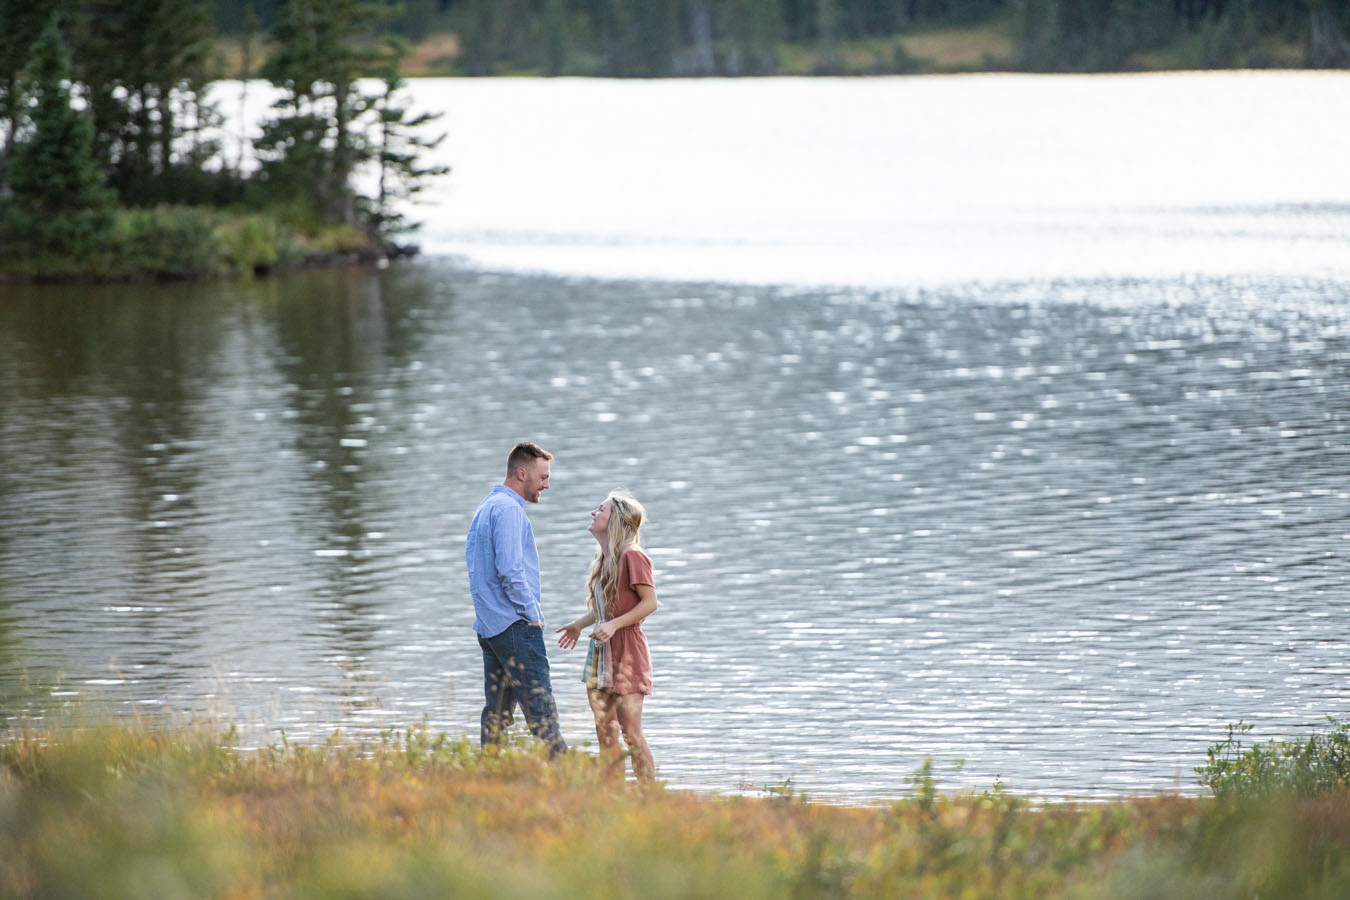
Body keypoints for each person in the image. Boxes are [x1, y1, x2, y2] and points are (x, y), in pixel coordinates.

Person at [466, 441, 566, 757]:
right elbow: (510, 570)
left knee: (496, 715)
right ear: (522, 473)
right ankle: (569, 780)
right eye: (543, 477)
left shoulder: (487, 506)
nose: (547, 485)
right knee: (542, 711)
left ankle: (489, 774)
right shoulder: (509, 510)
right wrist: (532, 615)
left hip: (490, 627)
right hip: (514, 626)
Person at [556, 489, 659, 781]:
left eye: (600, 509)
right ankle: (613, 800)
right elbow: (606, 613)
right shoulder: (606, 560)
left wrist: (614, 626)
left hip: (627, 651)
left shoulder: (632, 555)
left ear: (616, 520)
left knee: (631, 733)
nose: (593, 513)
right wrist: (579, 625)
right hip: (600, 652)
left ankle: (651, 799)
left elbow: (650, 603)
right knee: (606, 732)